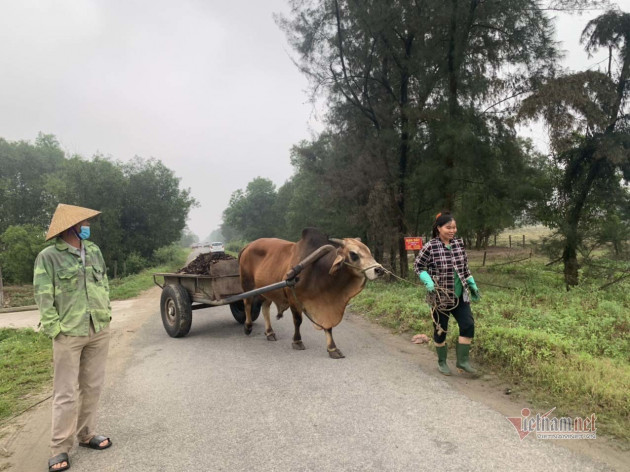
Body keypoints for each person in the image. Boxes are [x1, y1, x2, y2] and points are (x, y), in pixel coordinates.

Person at [33, 204, 113, 472]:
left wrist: (106, 311)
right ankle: (59, 448)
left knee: (92, 386)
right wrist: (55, 329)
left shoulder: (93, 250)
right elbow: (43, 295)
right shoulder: (48, 257)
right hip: (68, 332)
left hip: (98, 328)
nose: (88, 226)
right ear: (71, 227)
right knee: (65, 392)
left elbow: (103, 282)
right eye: (85, 222)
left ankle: (87, 434)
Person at [413, 212, 481, 376]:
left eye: (454, 227)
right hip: (440, 298)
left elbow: (464, 267)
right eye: (448, 227)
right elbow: (418, 266)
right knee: (440, 330)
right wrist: (427, 280)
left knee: (468, 325)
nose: (452, 230)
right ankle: (442, 362)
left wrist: (471, 284)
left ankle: (463, 362)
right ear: (439, 228)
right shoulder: (430, 246)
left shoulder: (459, 244)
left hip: (460, 296)